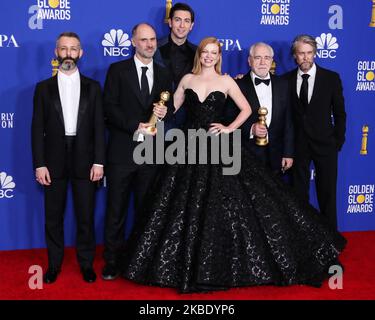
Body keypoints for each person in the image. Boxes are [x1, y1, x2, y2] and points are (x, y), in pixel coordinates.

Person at [120, 37, 346, 293]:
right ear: (200, 55)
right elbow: (173, 109)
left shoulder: (227, 81)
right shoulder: (186, 79)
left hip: (218, 147)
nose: (208, 56)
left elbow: (247, 109)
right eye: (205, 52)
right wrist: (161, 113)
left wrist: (228, 128)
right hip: (188, 146)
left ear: (219, 56)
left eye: (213, 53)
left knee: (230, 204)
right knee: (184, 205)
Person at [31, 32, 105, 284]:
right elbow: (36, 129)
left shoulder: (94, 88)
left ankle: (86, 264)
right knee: (53, 216)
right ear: (56, 52)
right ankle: (54, 265)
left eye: (73, 49)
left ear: (81, 53)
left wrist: (99, 161)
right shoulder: (43, 88)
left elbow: (98, 127)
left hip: (85, 158)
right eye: (64, 49)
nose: (68, 54)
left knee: (85, 215)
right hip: (53, 159)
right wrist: (39, 164)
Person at [102, 23, 173, 281]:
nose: (150, 44)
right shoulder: (117, 70)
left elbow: (170, 107)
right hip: (122, 152)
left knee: (146, 210)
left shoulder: (164, 74)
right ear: (133, 41)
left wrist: (166, 113)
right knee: (116, 210)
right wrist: (136, 125)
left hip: (151, 154)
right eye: (144, 40)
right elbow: (108, 107)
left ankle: (141, 261)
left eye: (153, 40)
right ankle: (112, 260)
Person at [283, 35, 346, 230]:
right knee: (298, 195)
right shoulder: (285, 80)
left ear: (315, 53)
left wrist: (337, 141)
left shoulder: (331, 78)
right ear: (295, 55)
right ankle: (303, 238)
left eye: (309, 53)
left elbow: (340, 113)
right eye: (301, 53)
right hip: (298, 146)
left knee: (327, 194)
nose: (305, 58)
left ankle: (331, 241)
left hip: (326, 144)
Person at [227, 42, 293, 174]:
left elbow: (289, 121)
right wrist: (251, 128)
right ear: (249, 61)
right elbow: (228, 117)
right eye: (257, 58)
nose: (262, 62)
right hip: (245, 155)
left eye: (267, 58)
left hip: (277, 155)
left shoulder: (284, 84)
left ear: (272, 61)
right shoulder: (236, 85)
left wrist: (288, 153)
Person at [154, 2, 197, 130]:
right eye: (178, 20)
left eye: (187, 21)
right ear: (170, 22)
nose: (182, 25)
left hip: (189, 121)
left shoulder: (199, 53)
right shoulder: (153, 47)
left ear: (191, 26)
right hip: (157, 118)